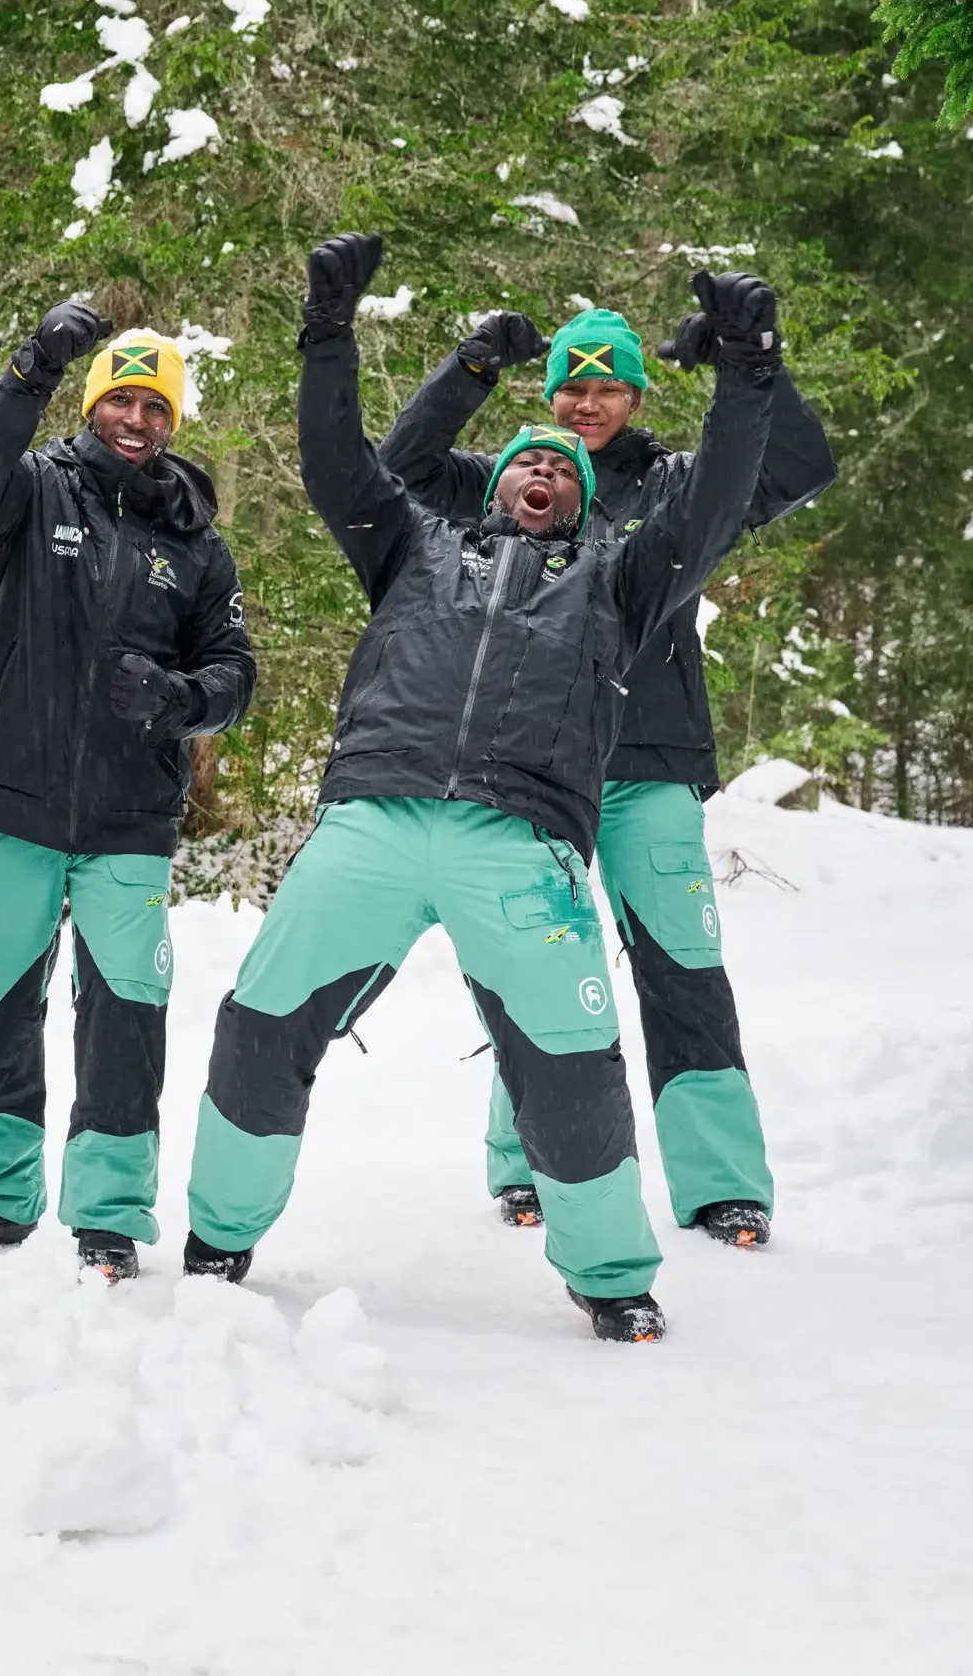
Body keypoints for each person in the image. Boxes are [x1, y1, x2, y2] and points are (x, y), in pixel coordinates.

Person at [179, 235, 781, 1341]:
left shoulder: (619, 578)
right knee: (261, 1023)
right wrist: (326, 329)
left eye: (565, 464)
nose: (544, 466)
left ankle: (610, 1277)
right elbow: (335, 460)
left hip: (518, 847)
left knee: (572, 1065)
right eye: (524, 457)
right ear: (494, 482)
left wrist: (746, 368)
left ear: (589, 500)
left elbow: (717, 504)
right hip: (370, 819)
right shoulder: (413, 547)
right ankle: (218, 1233)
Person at [379, 297, 836, 1248]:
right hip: (533, 770)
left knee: (683, 969)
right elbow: (401, 473)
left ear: (636, 392)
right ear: (552, 394)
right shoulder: (518, 481)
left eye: (611, 387)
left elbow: (799, 467)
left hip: (649, 764)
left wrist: (749, 365)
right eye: (574, 387)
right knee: (532, 969)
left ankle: (721, 1186)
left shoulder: (679, 483)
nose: (590, 405)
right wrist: (470, 368)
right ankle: (529, 1166)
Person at [0, 303, 257, 1280]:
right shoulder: (33, 491)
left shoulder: (194, 538)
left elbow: (235, 673)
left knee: (125, 1013)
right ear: (91, 404)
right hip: (11, 798)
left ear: (172, 420)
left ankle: (108, 1215)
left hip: (128, 820)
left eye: (154, 405)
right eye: (119, 397)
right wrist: (31, 365)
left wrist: (179, 697)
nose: (136, 418)